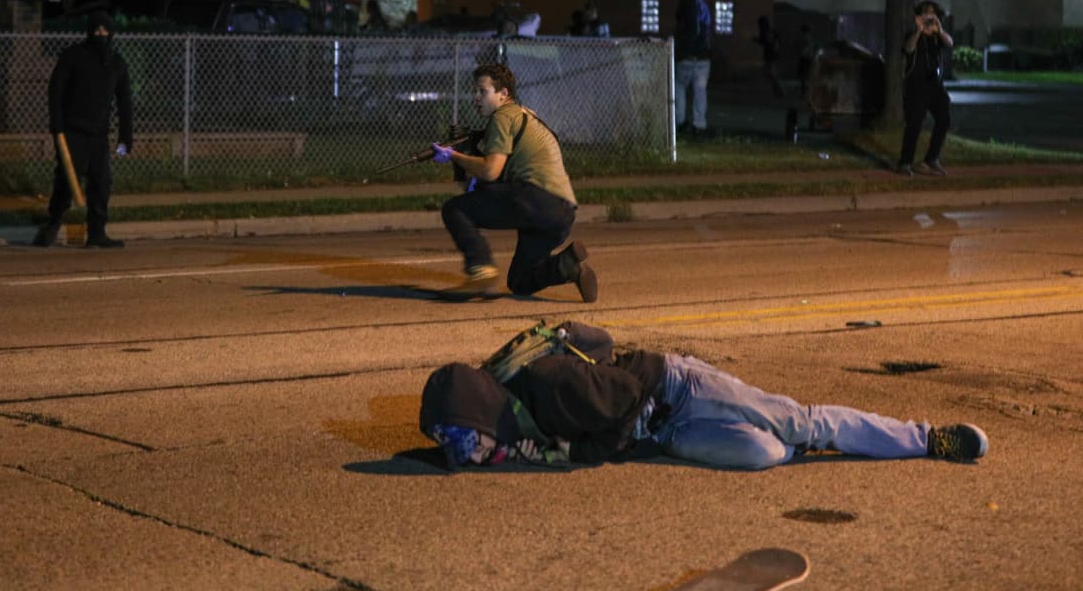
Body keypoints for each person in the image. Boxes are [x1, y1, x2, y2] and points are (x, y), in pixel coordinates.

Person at [419, 322, 989, 470]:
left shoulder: (550, 384)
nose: (470, 456)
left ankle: (926, 439)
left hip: (675, 390)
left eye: (468, 443)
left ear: (478, 413)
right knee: (764, 454)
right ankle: (801, 444)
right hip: (662, 433)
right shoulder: (504, 419)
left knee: (801, 423)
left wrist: (578, 452)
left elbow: (624, 395)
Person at [428, 63, 597, 303]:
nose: (476, 98)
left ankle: (480, 269)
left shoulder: (502, 117)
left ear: (503, 94)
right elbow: (493, 178)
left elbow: (490, 170)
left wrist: (453, 156)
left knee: (454, 209)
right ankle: (567, 266)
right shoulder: (526, 114)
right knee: (520, 282)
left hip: (535, 199)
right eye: (474, 91)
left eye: (482, 91)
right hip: (562, 212)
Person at [34, 11, 134, 248]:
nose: (101, 34)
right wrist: (56, 125)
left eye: (105, 30)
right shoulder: (73, 56)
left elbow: (124, 101)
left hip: (99, 136)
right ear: (89, 31)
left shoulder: (116, 63)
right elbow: (56, 90)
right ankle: (53, 223)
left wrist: (125, 138)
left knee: (101, 184)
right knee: (67, 182)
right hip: (72, 132)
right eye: (97, 30)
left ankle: (97, 233)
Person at [897, 0, 953, 177]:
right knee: (914, 124)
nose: (929, 16)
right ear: (919, 16)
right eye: (925, 13)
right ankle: (905, 163)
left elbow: (950, 43)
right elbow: (908, 48)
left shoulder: (937, 36)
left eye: (932, 13)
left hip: (935, 86)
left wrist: (939, 29)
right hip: (916, 86)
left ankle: (930, 160)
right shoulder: (913, 34)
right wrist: (919, 30)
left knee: (944, 119)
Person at [673, 0, 713, 137]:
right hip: (703, 57)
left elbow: (690, 30)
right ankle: (699, 124)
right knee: (700, 91)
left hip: (687, 56)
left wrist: (681, 49)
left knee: (679, 86)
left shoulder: (686, 6)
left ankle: (680, 121)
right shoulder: (703, 6)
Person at [754, 15, 786, 98]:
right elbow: (772, 42)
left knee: (771, 73)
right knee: (770, 73)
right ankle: (778, 91)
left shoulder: (766, 31)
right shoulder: (770, 31)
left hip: (770, 54)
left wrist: (756, 40)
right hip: (772, 54)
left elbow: (767, 42)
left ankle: (780, 91)